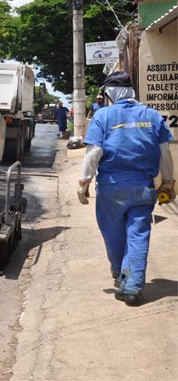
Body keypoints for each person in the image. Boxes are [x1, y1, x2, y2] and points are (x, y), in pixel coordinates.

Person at [77, 71, 175, 306]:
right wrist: (169, 181)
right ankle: (132, 288)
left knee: (113, 234)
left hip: (112, 188)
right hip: (143, 187)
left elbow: (94, 152)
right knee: (139, 235)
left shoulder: (103, 116)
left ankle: (120, 273)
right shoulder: (152, 116)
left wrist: (84, 182)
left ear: (110, 93)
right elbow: (165, 153)